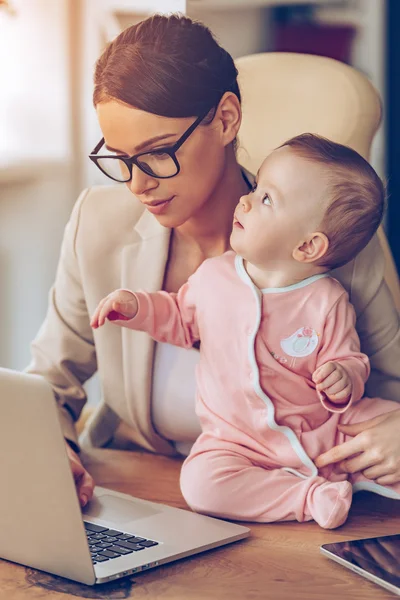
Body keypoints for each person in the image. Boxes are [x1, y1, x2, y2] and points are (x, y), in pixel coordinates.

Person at [27, 14, 400, 511]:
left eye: (158, 153)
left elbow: (391, 391)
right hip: (142, 495)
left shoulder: (327, 240)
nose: (137, 184)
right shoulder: (97, 224)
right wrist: (57, 456)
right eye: (118, 157)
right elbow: (49, 386)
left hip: (302, 513)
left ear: (226, 119)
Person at [90, 134, 400, 528]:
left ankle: (350, 476)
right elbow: (180, 319)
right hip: (238, 441)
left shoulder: (327, 299)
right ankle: (309, 497)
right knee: (201, 485)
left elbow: (349, 358)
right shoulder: (215, 276)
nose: (245, 200)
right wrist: (136, 307)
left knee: (388, 429)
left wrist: (344, 377)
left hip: (324, 432)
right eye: (255, 189)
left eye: (266, 199)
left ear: (308, 247)